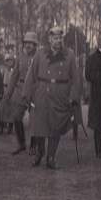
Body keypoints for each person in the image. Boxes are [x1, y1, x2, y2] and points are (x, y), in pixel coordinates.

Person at [22, 26, 81, 169]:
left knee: (56, 127)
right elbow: (31, 76)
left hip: (60, 95)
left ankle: (51, 157)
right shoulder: (40, 54)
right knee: (40, 127)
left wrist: (73, 97)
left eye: (60, 38)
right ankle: (40, 153)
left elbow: (76, 79)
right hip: (42, 94)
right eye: (55, 38)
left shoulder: (70, 55)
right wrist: (27, 95)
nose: (58, 41)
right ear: (49, 39)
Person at [4, 31, 39, 155]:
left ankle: (34, 145)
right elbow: (14, 76)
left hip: (34, 91)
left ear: (35, 45)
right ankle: (22, 144)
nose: (28, 45)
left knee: (35, 119)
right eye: (26, 43)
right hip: (20, 89)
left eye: (31, 43)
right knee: (16, 117)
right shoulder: (20, 57)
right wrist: (8, 93)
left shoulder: (40, 56)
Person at [0, 54, 15, 135]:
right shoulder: (3, 70)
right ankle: (1, 128)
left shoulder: (14, 70)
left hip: (12, 90)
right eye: (8, 61)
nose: (9, 62)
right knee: (2, 109)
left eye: (11, 60)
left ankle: (10, 128)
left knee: (11, 110)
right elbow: (0, 79)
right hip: (4, 89)